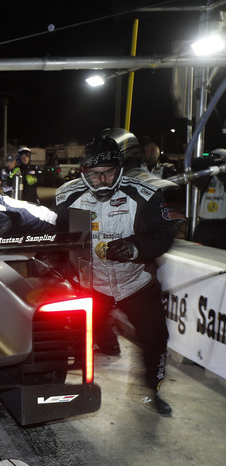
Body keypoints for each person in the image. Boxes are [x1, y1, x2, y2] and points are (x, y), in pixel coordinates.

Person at [54, 128, 176, 416]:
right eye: (95, 173)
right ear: (83, 171)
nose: (102, 179)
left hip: (137, 286)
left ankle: (153, 391)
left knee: (156, 341)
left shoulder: (146, 194)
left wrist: (134, 247)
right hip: (92, 287)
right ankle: (60, 392)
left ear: (120, 169)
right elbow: (57, 242)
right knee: (69, 338)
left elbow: (163, 235)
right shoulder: (66, 198)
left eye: (109, 172)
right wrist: (65, 273)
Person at [192, 148, 226, 249]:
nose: (213, 161)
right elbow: (198, 184)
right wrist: (198, 167)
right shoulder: (208, 176)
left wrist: (220, 171)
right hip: (204, 224)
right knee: (199, 254)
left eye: (216, 159)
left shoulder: (222, 177)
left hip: (222, 225)